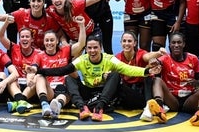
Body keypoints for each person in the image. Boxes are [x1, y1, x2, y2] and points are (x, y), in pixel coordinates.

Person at [30, 35, 161, 122]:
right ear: (86, 49)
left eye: (95, 48)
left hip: (105, 92)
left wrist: (147, 71)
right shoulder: (82, 59)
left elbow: (128, 69)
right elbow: (61, 70)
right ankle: (82, 108)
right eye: (89, 48)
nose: (92, 51)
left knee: (115, 74)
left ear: (101, 48)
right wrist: (38, 70)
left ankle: (99, 107)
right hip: (88, 92)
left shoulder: (109, 59)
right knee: (69, 78)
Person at [146, 32, 199, 126]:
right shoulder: (164, 59)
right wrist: (153, 62)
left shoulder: (193, 59)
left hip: (189, 100)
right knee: (157, 80)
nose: (176, 45)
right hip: (172, 100)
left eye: (179, 42)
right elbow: (155, 63)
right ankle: (159, 109)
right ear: (169, 45)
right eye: (173, 43)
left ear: (184, 44)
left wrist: (195, 83)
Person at [33, 16, 87, 118]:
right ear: (44, 42)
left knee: (67, 85)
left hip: (64, 89)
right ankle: (45, 105)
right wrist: (32, 74)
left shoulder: (65, 51)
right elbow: (34, 69)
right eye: (47, 40)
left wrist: (81, 26)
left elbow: (81, 44)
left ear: (57, 41)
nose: (49, 43)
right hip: (49, 90)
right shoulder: (39, 55)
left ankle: (57, 106)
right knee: (39, 76)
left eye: (52, 40)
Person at [47, 0, 121, 45]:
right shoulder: (51, 11)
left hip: (91, 33)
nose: (57, 0)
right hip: (75, 39)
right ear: (52, 1)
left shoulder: (75, 5)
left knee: (90, 57)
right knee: (71, 60)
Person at [0, 16, 42, 113]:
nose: (24, 39)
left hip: (30, 87)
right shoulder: (14, 48)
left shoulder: (39, 53)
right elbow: (0, 36)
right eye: (22, 37)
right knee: (10, 80)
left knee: (35, 78)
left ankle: (18, 102)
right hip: (16, 86)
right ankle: (21, 101)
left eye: (27, 37)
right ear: (19, 39)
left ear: (32, 39)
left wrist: (30, 79)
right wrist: (6, 23)